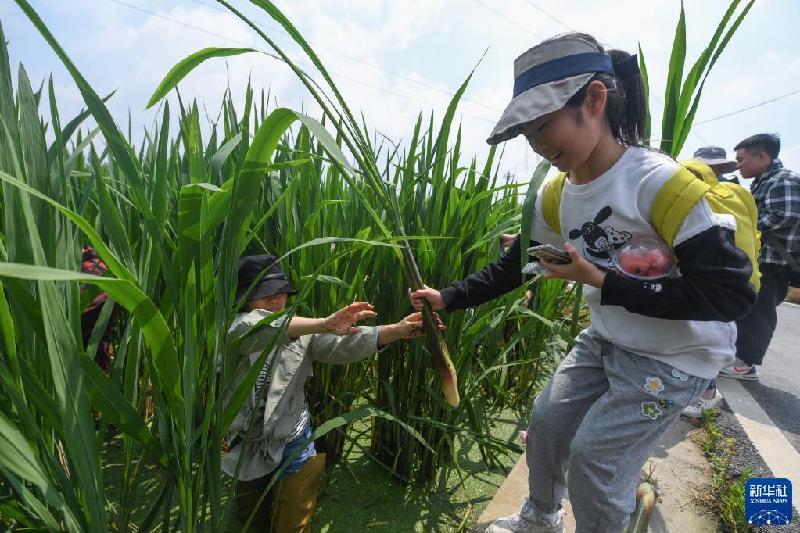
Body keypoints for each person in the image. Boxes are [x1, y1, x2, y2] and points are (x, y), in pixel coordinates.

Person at [410, 33, 755, 533]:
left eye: (545, 126)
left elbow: (729, 295)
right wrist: (449, 296)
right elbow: (517, 266)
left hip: (675, 357)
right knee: (548, 425)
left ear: (594, 100)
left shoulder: (658, 183)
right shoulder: (557, 195)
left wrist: (604, 282)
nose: (539, 145)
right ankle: (540, 517)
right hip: (608, 339)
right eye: (529, 135)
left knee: (595, 460)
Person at [224, 254, 442, 531]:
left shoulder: (302, 329)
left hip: (291, 435)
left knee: (294, 521)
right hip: (244, 439)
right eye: (263, 294)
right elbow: (254, 328)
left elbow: (340, 345)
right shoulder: (233, 329)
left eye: (280, 292)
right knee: (250, 516)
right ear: (243, 299)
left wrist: (395, 331)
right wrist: (322, 323)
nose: (275, 300)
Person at [719, 134, 800, 380]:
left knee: (759, 312)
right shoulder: (763, 182)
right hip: (763, 259)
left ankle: (745, 363)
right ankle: (737, 355)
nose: (739, 165)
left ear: (762, 156)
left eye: (742, 159)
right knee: (747, 307)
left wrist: (743, 228)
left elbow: (785, 214)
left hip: (776, 262)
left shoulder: (782, 180)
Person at [679, 147, 751, 416]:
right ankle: (704, 392)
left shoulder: (700, 192)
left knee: (703, 338)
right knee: (707, 336)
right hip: (735, 279)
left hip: (710, 280)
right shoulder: (738, 193)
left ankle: (706, 394)